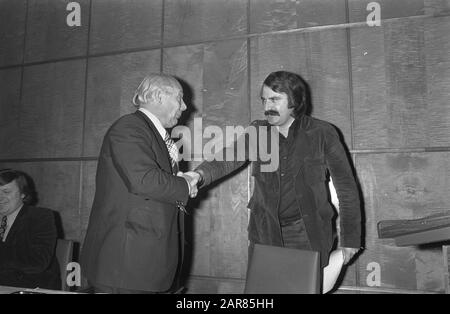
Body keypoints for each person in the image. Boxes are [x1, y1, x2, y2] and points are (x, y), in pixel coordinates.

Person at [186, 71, 362, 270]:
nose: (267, 107)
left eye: (275, 100)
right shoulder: (257, 132)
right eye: (264, 100)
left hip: (307, 234)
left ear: (295, 100)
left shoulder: (323, 133)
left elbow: (346, 187)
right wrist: (197, 175)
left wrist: (351, 239)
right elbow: (228, 157)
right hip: (264, 233)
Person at [80, 73, 198, 294]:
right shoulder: (129, 127)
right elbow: (143, 180)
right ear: (158, 96)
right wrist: (185, 185)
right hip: (125, 268)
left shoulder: (150, 133)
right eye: (179, 98)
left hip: (142, 266)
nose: (184, 106)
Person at [0, 169, 60, 290]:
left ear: (23, 193)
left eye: (6, 191)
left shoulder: (41, 217)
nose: (0, 197)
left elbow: (37, 262)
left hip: (30, 287)